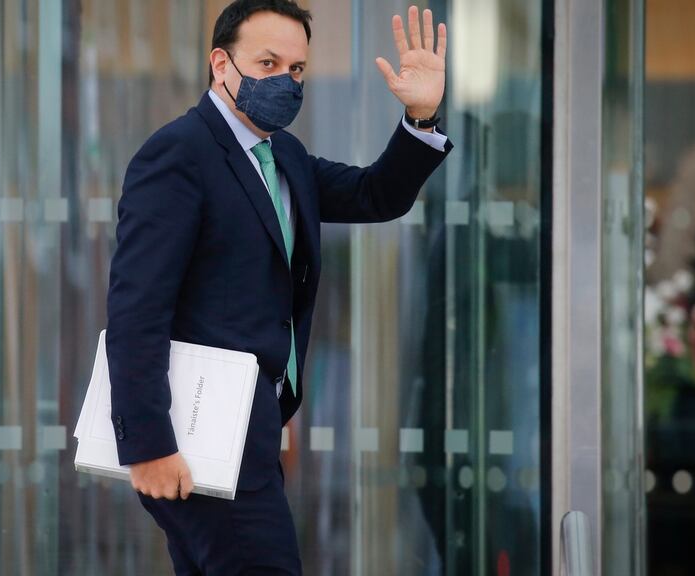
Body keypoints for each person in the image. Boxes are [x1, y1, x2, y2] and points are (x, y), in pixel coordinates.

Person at [105, 1, 452, 573]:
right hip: (197, 432)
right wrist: (148, 445)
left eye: (296, 70)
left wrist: (420, 119)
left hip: (254, 426)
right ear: (221, 64)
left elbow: (374, 195)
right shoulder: (179, 153)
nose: (285, 82)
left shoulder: (281, 154)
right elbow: (136, 309)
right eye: (267, 63)